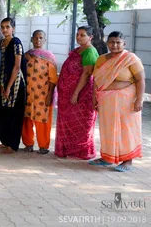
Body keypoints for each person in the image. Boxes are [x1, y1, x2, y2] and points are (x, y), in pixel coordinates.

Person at [89, 31, 145, 172]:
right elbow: (96, 81)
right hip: (106, 101)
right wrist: (94, 99)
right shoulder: (101, 59)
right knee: (107, 128)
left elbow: (140, 80)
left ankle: (128, 160)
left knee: (126, 130)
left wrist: (139, 99)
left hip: (127, 102)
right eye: (112, 42)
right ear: (107, 43)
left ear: (124, 43)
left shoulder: (131, 59)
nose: (114, 45)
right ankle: (107, 158)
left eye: (118, 42)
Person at [55, 26, 99, 160]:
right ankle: (68, 149)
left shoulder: (90, 51)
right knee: (68, 122)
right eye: (78, 35)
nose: (79, 37)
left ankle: (82, 151)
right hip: (67, 95)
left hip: (81, 95)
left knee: (81, 123)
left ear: (90, 37)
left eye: (83, 35)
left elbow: (86, 74)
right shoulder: (78, 50)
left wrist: (75, 93)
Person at [22, 30, 58, 154]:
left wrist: (49, 95)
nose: (38, 40)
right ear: (31, 39)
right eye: (36, 38)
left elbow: (53, 79)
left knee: (42, 121)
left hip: (43, 95)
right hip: (28, 94)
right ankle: (28, 144)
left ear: (45, 40)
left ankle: (43, 146)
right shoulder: (26, 55)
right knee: (26, 120)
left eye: (41, 38)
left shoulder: (49, 57)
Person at [0, 17, 26, 154]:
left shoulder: (16, 43)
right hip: (1, 82)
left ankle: (13, 145)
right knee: (3, 113)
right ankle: (5, 141)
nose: (5, 30)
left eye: (7, 27)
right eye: (3, 27)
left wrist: (9, 86)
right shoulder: (0, 43)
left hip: (16, 83)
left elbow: (17, 66)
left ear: (13, 28)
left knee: (14, 114)